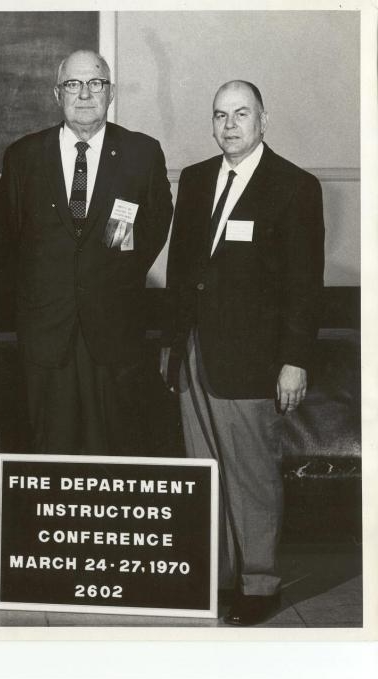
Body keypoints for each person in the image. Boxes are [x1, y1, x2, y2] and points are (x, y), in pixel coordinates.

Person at [162, 80, 325, 625]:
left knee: (251, 474)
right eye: (220, 115)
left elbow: (306, 285)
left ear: (263, 119)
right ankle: (217, 577)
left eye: (241, 114)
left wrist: (295, 358)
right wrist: (172, 344)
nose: (229, 125)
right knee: (204, 470)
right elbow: (185, 273)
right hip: (193, 354)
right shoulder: (196, 178)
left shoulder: (294, 187)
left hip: (255, 360)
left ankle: (258, 582)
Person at [1, 50, 173, 456]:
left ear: (109, 92)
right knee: (49, 449)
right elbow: (8, 239)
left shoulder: (141, 153)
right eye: (73, 85)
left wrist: (113, 274)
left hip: (114, 332)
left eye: (95, 84)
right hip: (46, 335)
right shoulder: (23, 156)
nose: (84, 94)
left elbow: (153, 228)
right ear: (55, 93)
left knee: (116, 450)